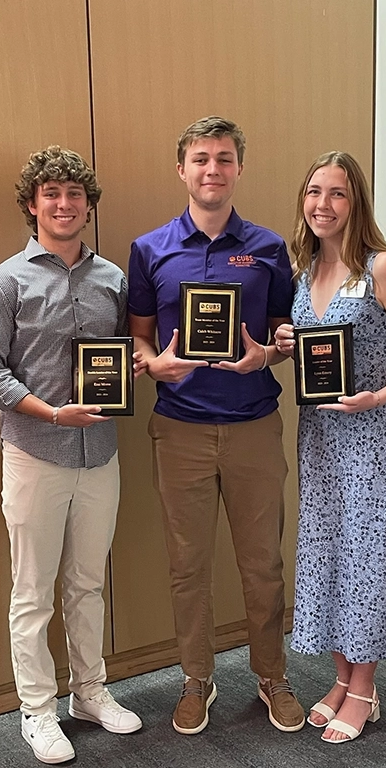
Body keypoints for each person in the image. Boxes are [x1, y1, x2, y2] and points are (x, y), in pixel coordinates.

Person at [129, 116, 305, 735]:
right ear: (182, 169)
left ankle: (272, 676)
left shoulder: (268, 247)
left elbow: (287, 334)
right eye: (201, 158)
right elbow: (141, 342)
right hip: (179, 430)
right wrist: (155, 366)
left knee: (263, 564)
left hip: (255, 425)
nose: (212, 169)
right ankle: (196, 679)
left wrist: (269, 354)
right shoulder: (150, 249)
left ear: (238, 169)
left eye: (224, 159)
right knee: (188, 565)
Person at [0, 145, 142, 764]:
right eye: (52, 194)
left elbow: (128, 356)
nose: (64, 204)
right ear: (32, 206)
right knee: (33, 592)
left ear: (89, 207)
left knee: (88, 584)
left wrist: (147, 367)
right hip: (35, 453)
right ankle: (37, 711)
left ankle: (90, 692)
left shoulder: (114, 280)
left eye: (75, 195)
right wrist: (49, 412)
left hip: (100, 454)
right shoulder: (3, 283)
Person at [275, 151, 386, 743]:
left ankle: (365, 688)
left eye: (337, 194)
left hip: (372, 437)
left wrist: (381, 394)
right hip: (320, 436)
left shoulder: (383, 267)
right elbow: (314, 350)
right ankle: (342, 680)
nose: (322, 204)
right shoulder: (302, 274)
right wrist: (285, 342)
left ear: (357, 203)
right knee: (326, 555)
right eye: (313, 191)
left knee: (370, 558)